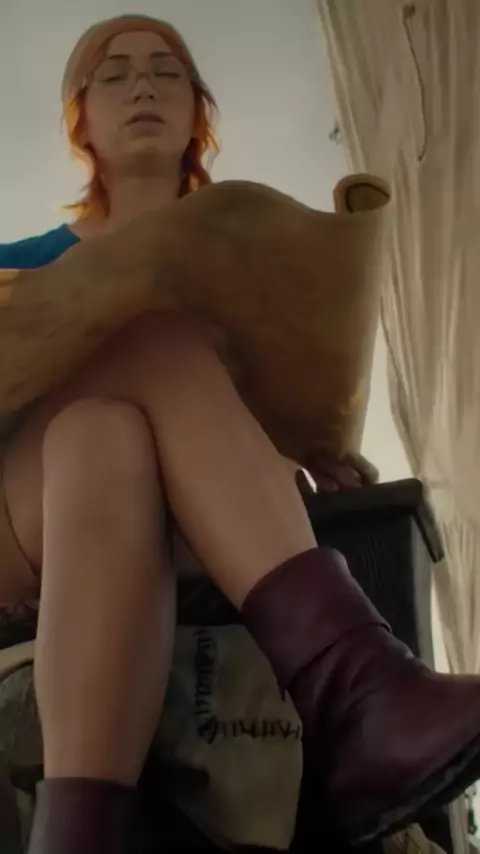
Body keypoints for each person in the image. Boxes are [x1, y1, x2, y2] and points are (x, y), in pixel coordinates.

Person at [1, 13, 480, 854]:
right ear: (82, 116)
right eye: (114, 73)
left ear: (198, 111)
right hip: (19, 526)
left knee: (103, 437)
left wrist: (313, 457)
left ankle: (76, 835)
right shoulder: (18, 263)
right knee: (150, 346)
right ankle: (360, 690)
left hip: (171, 524)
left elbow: (285, 420)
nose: (143, 86)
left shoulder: (260, 271)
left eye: (167, 71)